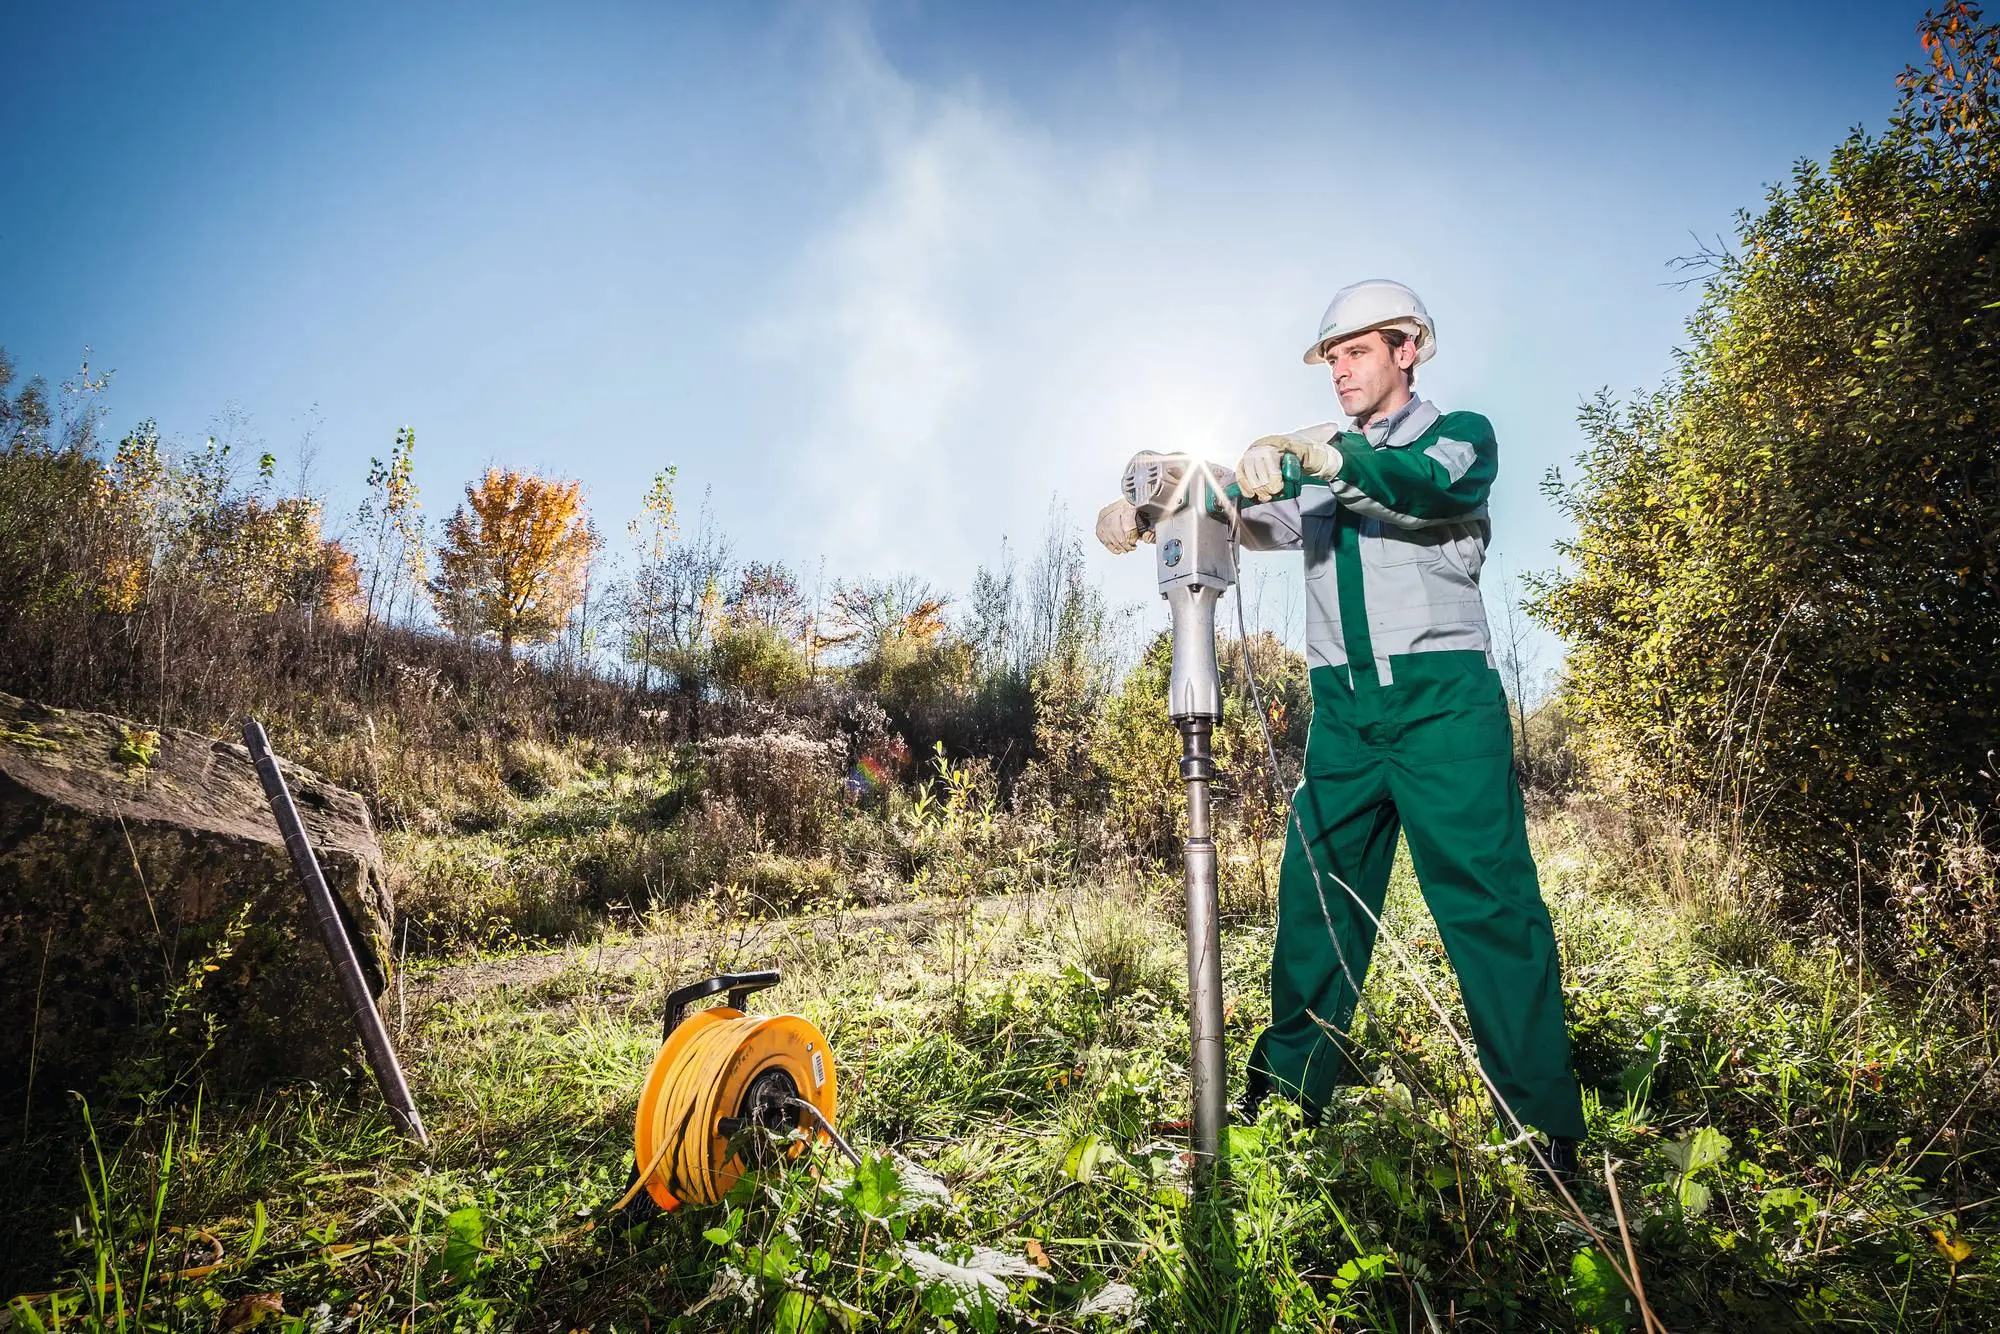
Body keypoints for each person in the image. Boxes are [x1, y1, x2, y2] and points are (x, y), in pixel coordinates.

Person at [1094, 279, 1585, 1184]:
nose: (1338, 370)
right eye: (1330, 357)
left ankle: (1542, 1127)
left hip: (1444, 705)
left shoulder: (1457, 435)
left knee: (1489, 907)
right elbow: (1240, 511)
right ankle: (1287, 1102)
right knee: (1316, 904)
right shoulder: (1315, 460)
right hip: (1345, 714)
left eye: (1354, 351)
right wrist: (1159, 501)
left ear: (1409, 349)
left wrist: (1311, 456)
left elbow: (1418, 489)